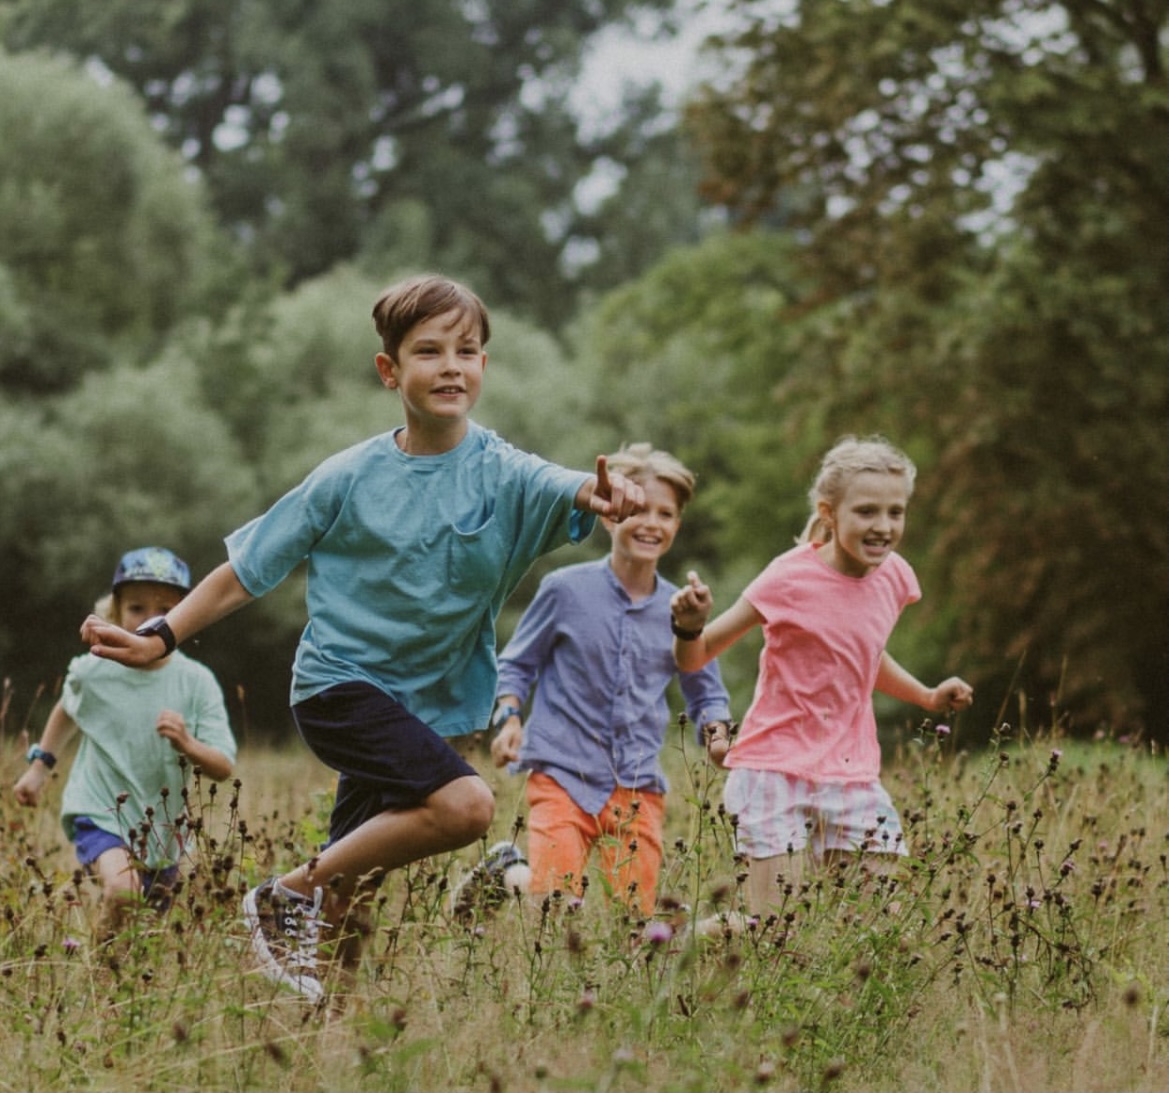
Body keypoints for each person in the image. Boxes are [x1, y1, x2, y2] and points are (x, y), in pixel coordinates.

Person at [79, 274, 645, 1002]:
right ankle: (282, 895)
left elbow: (562, 483)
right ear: (390, 371)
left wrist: (600, 493)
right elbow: (246, 570)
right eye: (428, 350)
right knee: (467, 806)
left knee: (351, 902)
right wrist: (162, 635)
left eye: (466, 350)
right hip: (339, 686)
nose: (450, 365)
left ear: (483, 366)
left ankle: (333, 1037)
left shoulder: (501, 471)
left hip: (427, 707)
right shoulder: (347, 477)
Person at [670, 435, 974, 918]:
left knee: (877, 930)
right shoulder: (787, 578)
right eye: (867, 512)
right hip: (775, 770)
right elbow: (696, 656)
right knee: (772, 936)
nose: (884, 526)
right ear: (829, 512)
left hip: (851, 775)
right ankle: (677, 949)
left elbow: (865, 654)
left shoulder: (895, 577)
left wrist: (927, 696)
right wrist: (687, 626)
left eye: (895, 513)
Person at [459, 444, 731, 920]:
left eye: (665, 514)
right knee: (557, 910)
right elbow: (517, 665)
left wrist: (717, 733)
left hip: (638, 781)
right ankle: (510, 874)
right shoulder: (564, 590)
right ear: (610, 517)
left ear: (676, 527)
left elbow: (704, 687)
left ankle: (507, 871)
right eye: (639, 509)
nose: (651, 523)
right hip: (562, 769)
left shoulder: (681, 609)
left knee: (634, 926)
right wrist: (508, 719)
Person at [13, 547, 236, 947]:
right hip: (99, 808)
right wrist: (39, 766)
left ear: (186, 614)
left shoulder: (197, 682)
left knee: (140, 936)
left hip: (165, 830)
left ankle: (101, 984)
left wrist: (188, 743)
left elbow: (222, 765)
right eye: (136, 607)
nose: (150, 618)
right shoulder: (95, 669)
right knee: (124, 890)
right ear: (115, 612)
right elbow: (67, 708)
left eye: (165, 608)